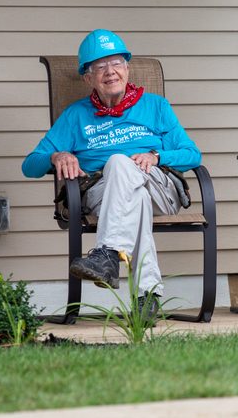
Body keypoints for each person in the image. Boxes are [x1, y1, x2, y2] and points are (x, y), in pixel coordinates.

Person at [22, 29, 201, 314]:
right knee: (135, 197)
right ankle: (148, 297)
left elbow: (192, 155)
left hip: (160, 188)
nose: (110, 72)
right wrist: (57, 155)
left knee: (120, 163)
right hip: (103, 193)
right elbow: (30, 165)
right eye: (100, 67)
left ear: (127, 68)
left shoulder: (155, 106)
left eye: (116, 63)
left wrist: (156, 156)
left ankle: (106, 253)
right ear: (88, 78)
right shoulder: (75, 115)